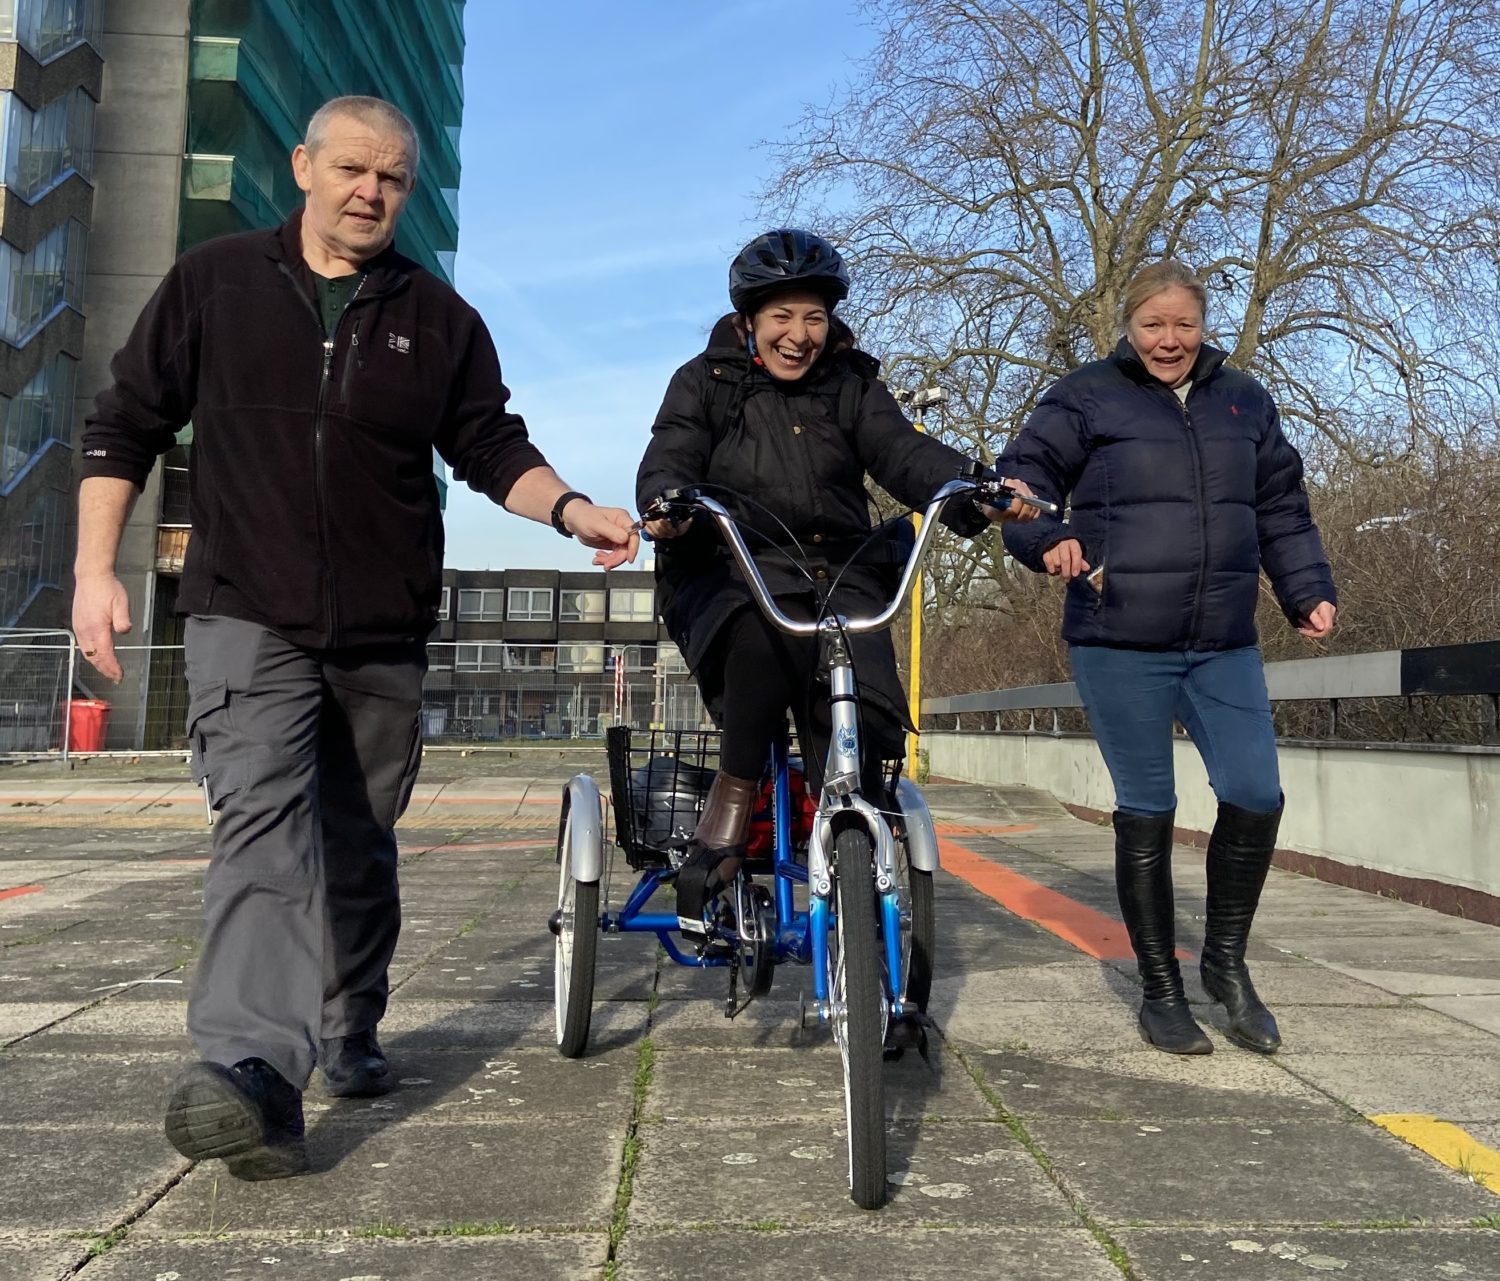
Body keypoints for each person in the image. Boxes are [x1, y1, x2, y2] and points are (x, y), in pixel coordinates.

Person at [72, 96, 638, 1179]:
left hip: (381, 624)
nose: (370, 192)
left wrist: (572, 511)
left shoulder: (437, 317)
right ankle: (250, 1069)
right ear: (303, 167)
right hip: (245, 608)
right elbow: (124, 425)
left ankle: (347, 1025)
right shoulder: (216, 283)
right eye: (351, 170)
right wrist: (97, 571)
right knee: (263, 828)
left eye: (390, 178)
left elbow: (489, 445)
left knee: (358, 838)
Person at [636, 228, 1037, 935]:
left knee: (863, 694)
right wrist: (667, 501)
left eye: (814, 317)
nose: (799, 335)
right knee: (761, 641)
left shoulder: (853, 385)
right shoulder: (706, 382)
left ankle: (853, 832)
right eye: (782, 317)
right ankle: (730, 804)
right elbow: (671, 450)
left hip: (841, 570)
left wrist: (975, 488)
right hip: (735, 566)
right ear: (750, 321)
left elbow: (903, 451)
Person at [999, 259, 1337, 1056]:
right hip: (1118, 634)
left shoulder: (1243, 398)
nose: (1169, 339)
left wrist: (1305, 588)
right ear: (1128, 324)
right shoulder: (1084, 395)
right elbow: (1022, 480)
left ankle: (1226, 965)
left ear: (1203, 324)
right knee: (1147, 809)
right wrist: (1048, 538)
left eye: (1183, 323)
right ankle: (1161, 988)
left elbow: (1282, 503)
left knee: (1256, 794)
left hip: (1221, 639)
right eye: (1153, 324)